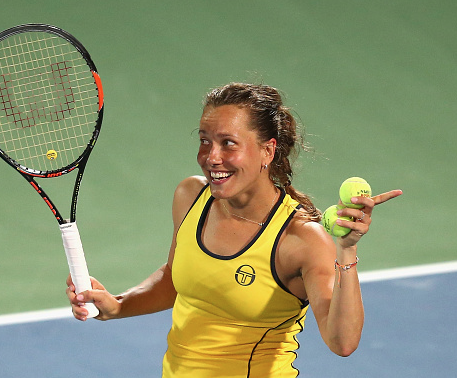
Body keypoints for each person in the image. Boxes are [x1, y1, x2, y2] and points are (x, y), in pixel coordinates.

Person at [66, 83, 402, 377]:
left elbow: (342, 342)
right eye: (205, 141)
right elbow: (175, 280)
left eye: (228, 143)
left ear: (267, 151)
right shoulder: (190, 197)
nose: (211, 156)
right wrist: (118, 305)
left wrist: (346, 251)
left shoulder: (299, 239)